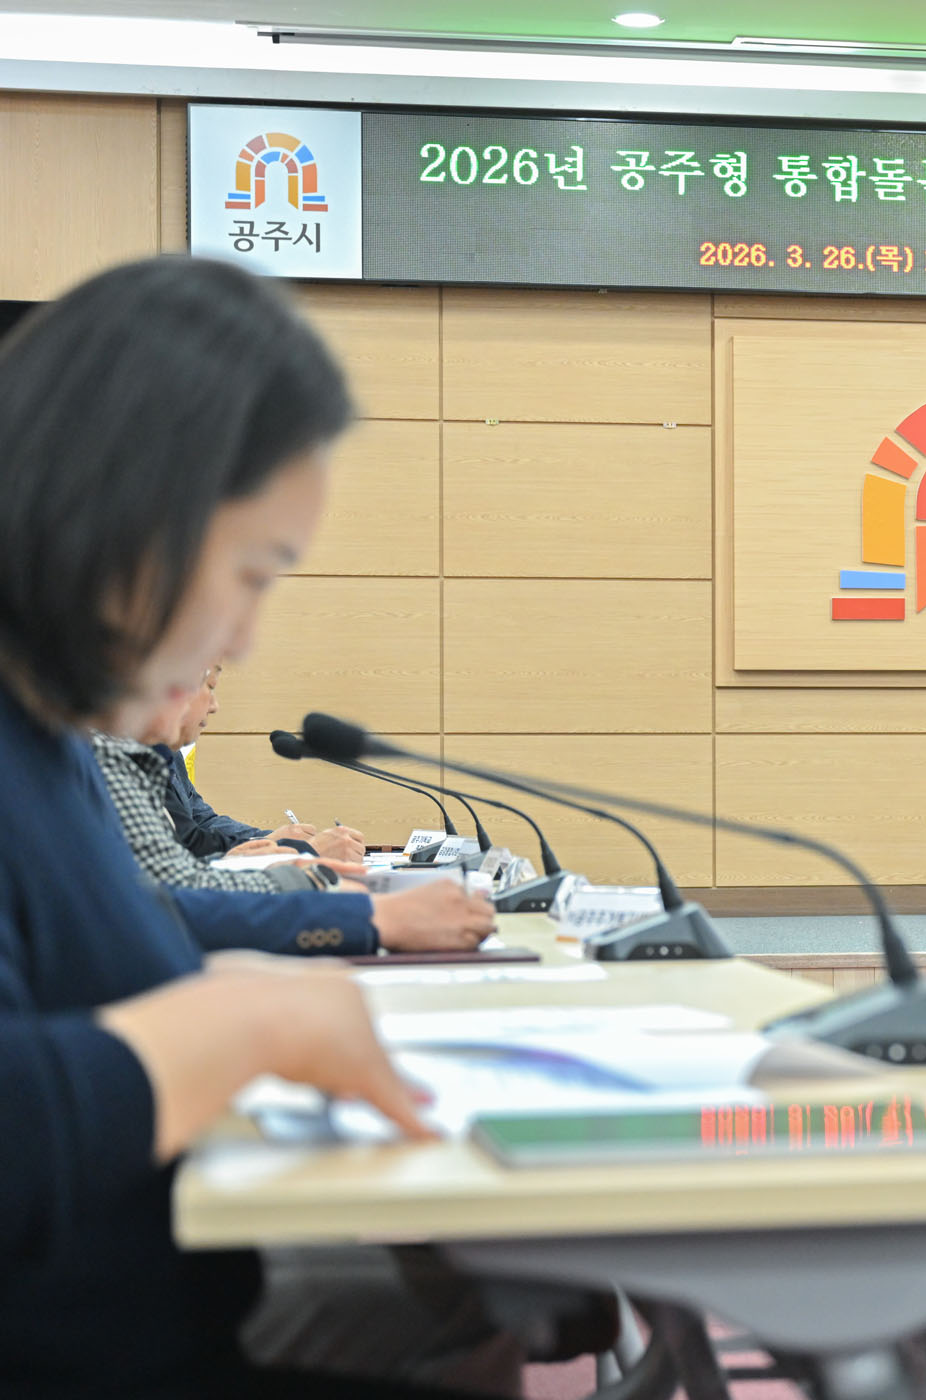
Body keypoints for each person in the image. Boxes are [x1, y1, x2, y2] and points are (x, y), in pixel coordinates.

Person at [0, 255, 511, 1399]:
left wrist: (269, 973)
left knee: (475, 1301)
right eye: (252, 571)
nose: (243, 638)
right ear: (124, 518)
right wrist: (247, 1018)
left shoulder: (49, 734)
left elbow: (94, 953)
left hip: (159, 1320)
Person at [93, 715, 495, 957]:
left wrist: (275, 848)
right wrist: (358, 907)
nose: (211, 704)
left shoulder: (145, 756)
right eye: (202, 682)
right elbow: (167, 900)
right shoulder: (102, 756)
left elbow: (192, 843)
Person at [169, 664, 366, 862]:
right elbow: (185, 851)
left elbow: (202, 822)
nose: (214, 706)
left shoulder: (172, 756)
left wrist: (271, 841)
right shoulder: (152, 763)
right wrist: (294, 849)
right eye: (210, 687)